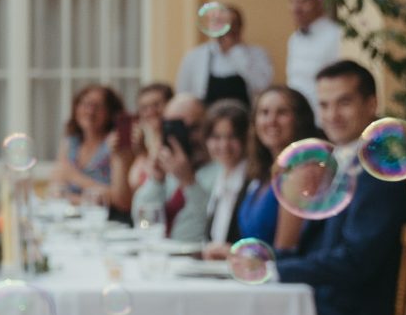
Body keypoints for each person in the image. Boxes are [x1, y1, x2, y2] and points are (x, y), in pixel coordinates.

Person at [275, 61, 406, 315]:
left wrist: (276, 271)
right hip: (327, 312)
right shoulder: (337, 166)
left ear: (371, 104)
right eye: (324, 105)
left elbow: (353, 261)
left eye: (344, 102)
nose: (332, 115)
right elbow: (313, 249)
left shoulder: (378, 176)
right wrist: (260, 263)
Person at [212, 84, 318, 256]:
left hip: (278, 279)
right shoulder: (262, 174)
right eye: (264, 113)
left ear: (299, 119)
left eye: (282, 113)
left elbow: (285, 252)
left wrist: (232, 254)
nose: (271, 121)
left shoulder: (300, 172)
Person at [174, 5, 274, 110]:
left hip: (244, 117)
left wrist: (236, 52)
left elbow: (262, 87)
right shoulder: (195, 57)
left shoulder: (257, 54)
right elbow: (183, 93)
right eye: (220, 22)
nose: (228, 28)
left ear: (240, 27)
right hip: (207, 119)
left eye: (232, 24)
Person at [53, 83, 134, 213]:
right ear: (76, 108)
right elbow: (55, 192)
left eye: (97, 106)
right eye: (85, 104)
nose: (90, 111)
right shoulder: (70, 143)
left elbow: (121, 200)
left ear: (110, 113)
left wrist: (74, 177)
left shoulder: (115, 144)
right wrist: (90, 198)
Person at [129, 114, 210, 241]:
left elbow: (192, 236)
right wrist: (156, 181)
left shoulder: (219, 172)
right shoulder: (167, 172)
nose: (185, 136)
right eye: (171, 128)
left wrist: (188, 182)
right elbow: (143, 224)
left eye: (194, 128)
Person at [197, 101, 254, 244]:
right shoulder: (220, 176)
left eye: (232, 137)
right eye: (216, 137)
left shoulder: (252, 181)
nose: (224, 145)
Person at [287, 0, 345, 99]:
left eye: (303, 1)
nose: (296, 8)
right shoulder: (294, 39)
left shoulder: (336, 35)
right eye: (292, 1)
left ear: (319, 2)